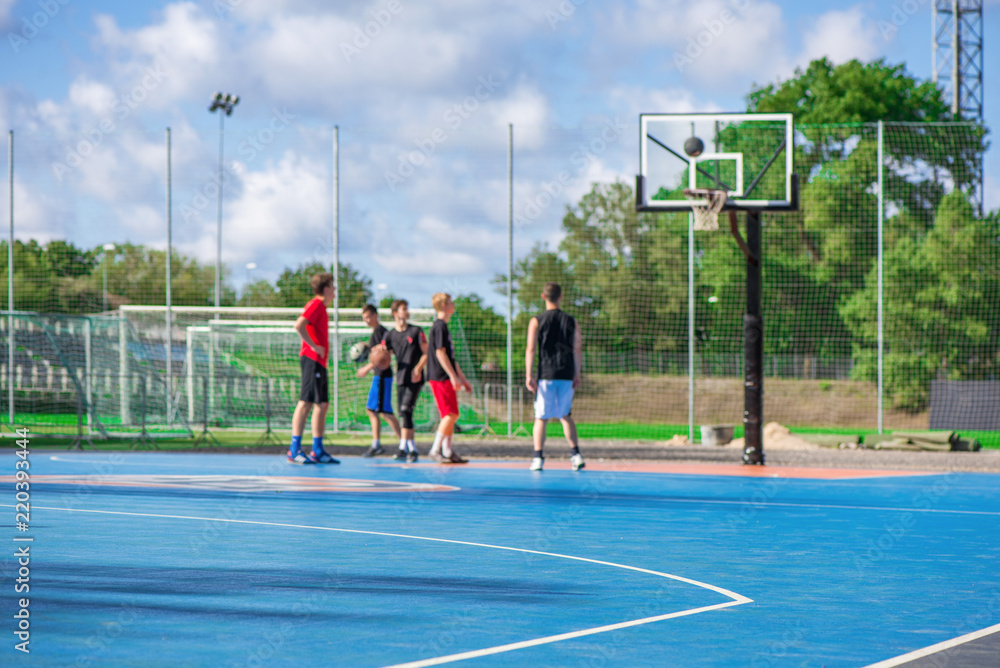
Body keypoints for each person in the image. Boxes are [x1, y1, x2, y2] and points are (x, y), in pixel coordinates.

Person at [524, 282, 584, 471]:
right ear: (561, 296)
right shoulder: (571, 321)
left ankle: (538, 457)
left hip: (546, 375)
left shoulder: (536, 320)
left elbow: (531, 348)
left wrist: (528, 374)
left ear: (543, 297)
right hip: (566, 374)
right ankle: (575, 455)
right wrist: (577, 373)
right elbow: (577, 348)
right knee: (565, 415)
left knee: (541, 417)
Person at [289, 272, 340, 465]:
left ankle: (317, 449)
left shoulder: (322, 308)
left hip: (319, 361)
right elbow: (299, 325)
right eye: (333, 288)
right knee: (306, 402)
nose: (334, 292)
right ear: (326, 289)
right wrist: (312, 346)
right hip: (311, 359)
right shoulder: (315, 304)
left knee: (322, 404)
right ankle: (294, 449)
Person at [426, 293, 472, 463]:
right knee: (450, 414)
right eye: (451, 302)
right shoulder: (439, 326)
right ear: (444, 305)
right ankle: (435, 449)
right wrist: (453, 377)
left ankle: (447, 451)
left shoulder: (444, 327)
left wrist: (462, 378)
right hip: (439, 377)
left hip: (445, 376)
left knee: (451, 413)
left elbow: (451, 359)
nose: (453, 305)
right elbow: (440, 353)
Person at [379, 299, 427, 463]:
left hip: (415, 377)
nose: (407, 311)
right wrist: (376, 355)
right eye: (403, 309)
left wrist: (418, 368)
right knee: (403, 413)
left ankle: (406, 448)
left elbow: (426, 353)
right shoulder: (390, 335)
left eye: (407, 308)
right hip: (400, 376)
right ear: (395, 313)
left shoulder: (416, 331)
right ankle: (408, 448)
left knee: (406, 410)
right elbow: (384, 353)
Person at [356, 304, 402, 457]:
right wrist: (367, 347)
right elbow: (378, 351)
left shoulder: (380, 331)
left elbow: (382, 355)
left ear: (375, 315)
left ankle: (405, 443)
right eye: (364, 318)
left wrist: (366, 368)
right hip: (379, 376)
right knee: (372, 410)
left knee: (386, 412)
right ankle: (376, 444)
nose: (367, 321)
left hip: (383, 376)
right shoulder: (377, 332)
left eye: (368, 317)